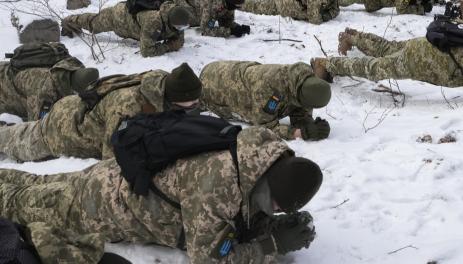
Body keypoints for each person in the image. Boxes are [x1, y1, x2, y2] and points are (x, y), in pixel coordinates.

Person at [0, 126, 323, 264]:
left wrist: (272, 226)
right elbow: (209, 258)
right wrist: (274, 245)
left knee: (32, 182)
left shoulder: (259, 158)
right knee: (13, 201)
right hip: (93, 206)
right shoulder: (217, 188)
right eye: (277, 206)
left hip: (113, 175)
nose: (275, 210)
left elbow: (243, 214)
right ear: (268, 188)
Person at [0, 63, 202, 162]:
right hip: (62, 129)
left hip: (83, 111)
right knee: (19, 143)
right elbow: (112, 159)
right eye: (189, 102)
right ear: (171, 97)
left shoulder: (164, 85)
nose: (195, 105)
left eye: (196, 101)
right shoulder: (126, 109)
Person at [313, 23, 463, 103]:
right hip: (417, 61)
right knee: (373, 70)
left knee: (387, 49)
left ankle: (354, 37)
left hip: (424, 46)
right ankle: (326, 64)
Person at [200, 61, 332, 141]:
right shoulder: (270, 88)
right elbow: (264, 126)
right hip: (212, 85)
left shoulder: (303, 82)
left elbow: (300, 112)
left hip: (236, 71)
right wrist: (300, 134)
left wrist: (311, 126)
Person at [60, 0, 192, 58]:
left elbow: (179, 40)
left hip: (131, 18)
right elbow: (147, 51)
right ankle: (68, 21)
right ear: (171, 21)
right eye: (182, 27)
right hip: (119, 18)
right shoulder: (154, 21)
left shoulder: (176, 17)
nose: (183, 29)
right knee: (92, 24)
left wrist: (175, 42)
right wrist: (168, 47)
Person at [0, 55, 98, 121]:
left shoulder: (71, 67)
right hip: (4, 84)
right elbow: (36, 129)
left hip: (9, 72)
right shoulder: (44, 90)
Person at [164, 0, 250, 38]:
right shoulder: (211, 2)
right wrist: (230, 32)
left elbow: (225, 22)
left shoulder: (227, 2)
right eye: (238, 5)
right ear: (230, 1)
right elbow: (206, 30)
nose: (240, 7)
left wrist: (238, 28)